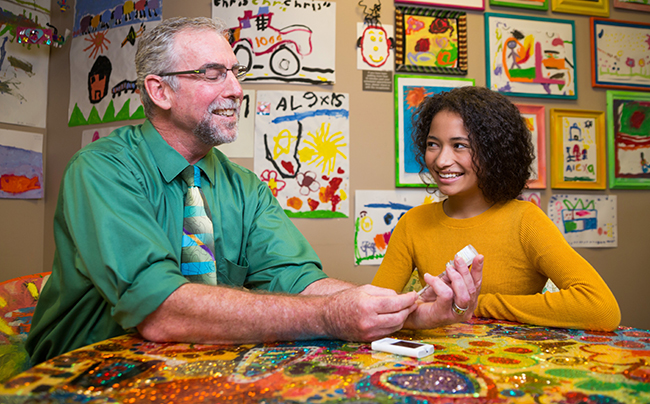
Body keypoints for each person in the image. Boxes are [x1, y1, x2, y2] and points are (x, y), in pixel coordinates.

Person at [26, 16, 483, 365]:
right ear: (159, 91)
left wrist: (403, 311)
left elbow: (300, 280)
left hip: (197, 369)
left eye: (234, 71)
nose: (237, 89)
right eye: (213, 74)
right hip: (86, 370)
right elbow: (162, 311)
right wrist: (329, 317)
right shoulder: (101, 170)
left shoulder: (244, 187)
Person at [372, 86, 621, 331]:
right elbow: (375, 311)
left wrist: (474, 305)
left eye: (459, 145)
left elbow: (601, 308)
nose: (441, 160)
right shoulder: (413, 223)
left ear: (494, 151)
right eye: (433, 144)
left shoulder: (526, 221)